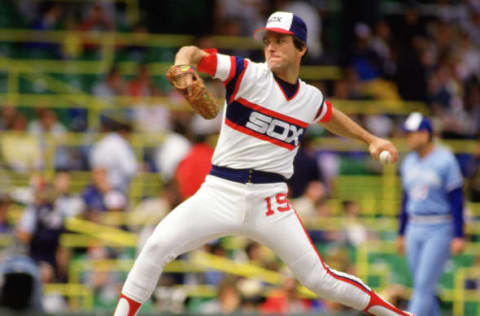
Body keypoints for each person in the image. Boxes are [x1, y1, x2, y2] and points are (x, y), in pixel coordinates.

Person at [114, 11, 412, 316]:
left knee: (319, 279)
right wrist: (182, 64)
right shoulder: (246, 72)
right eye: (268, 40)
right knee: (155, 247)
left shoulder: (309, 97)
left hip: (270, 200)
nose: (271, 46)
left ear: (301, 49)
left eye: (280, 41)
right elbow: (193, 53)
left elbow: (330, 115)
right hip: (220, 191)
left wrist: (370, 139)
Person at [396, 112, 465, 316]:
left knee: (423, 286)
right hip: (414, 226)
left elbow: (457, 199)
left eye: (411, 133)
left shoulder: (445, 159)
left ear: (425, 134)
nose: (407, 137)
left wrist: (458, 234)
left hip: (439, 225)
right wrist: (401, 232)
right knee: (422, 285)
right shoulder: (408, 162)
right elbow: (406, 200)